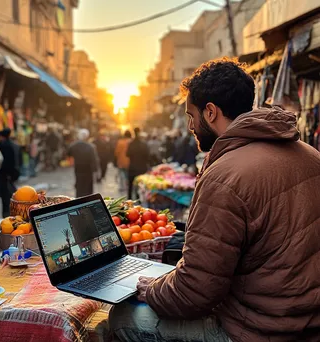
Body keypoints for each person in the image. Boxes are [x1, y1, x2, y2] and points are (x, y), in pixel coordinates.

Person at [109, 58, 320, 341]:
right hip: (305, 317)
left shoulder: (225, 175)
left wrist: (153, 290)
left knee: (122, 317)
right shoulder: (311, 154)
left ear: (210, 112)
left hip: (260, 328)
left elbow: (195, 291)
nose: (190, 126)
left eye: (191, 115)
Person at [68, 129, 99, 198]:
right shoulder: (91, 147)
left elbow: (69, 153)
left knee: (79, 186)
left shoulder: (73, 145)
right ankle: (88, 201)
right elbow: (94, 160)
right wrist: (96, 172)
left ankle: (79, 201)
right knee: (88, 189)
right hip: (88, 170)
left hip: (78, 169)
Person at [0, 128, 20, 218]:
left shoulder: (2, 145)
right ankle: (12, 212)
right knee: (10, 194)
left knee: (5, 196)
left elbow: (3, 161)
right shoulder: (14, 145)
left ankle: (7, 215)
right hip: (12, 173)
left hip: (5, 174)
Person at [126, 127, 150, 199]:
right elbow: (147, 156)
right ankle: (139, 199)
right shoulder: (144, 144)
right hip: (141, 168)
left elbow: (127, 154)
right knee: (141, 186)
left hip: (132, 168)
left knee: (130, 185)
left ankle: (129, 199)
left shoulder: (131, 144)